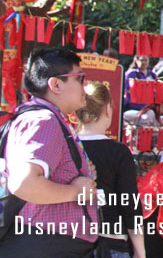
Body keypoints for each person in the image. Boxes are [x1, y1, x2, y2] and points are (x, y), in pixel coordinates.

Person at [1, 47, 99, 255]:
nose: (86, 87)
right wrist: (76, 192)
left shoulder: (47, 118)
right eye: (80, 79)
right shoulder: (43, 120)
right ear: (55, 85)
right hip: (44, 244)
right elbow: (24, 183)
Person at [76, 81, 147, 258]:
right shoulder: (119, 152)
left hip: (70, 239)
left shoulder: (67, 146)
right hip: (110, 240)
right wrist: (140, 250)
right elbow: (130, 205)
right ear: (108, 109)